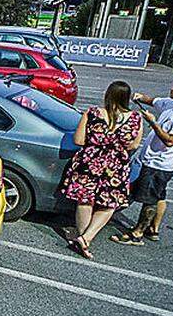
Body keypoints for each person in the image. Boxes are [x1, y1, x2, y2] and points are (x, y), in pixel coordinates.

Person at [112, 74, 173, 245]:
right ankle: (152, 229)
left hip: (160, 164)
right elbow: (154, 101)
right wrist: (141, 97)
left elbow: (170, 141)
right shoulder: (172, 104)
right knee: (158, 194)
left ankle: (137, 233)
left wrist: (153, 123)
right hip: (149, 159)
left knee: (148, 197)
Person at [60, 81, 144, 259]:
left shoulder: (92, 113)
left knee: (85, 200)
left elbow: (79, 140)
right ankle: (86, 238)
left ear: (108, 95)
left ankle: (83, 239)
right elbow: (135, 144)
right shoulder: (136, 118)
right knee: (109, 204)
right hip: (116, 167)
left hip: (89, 162)